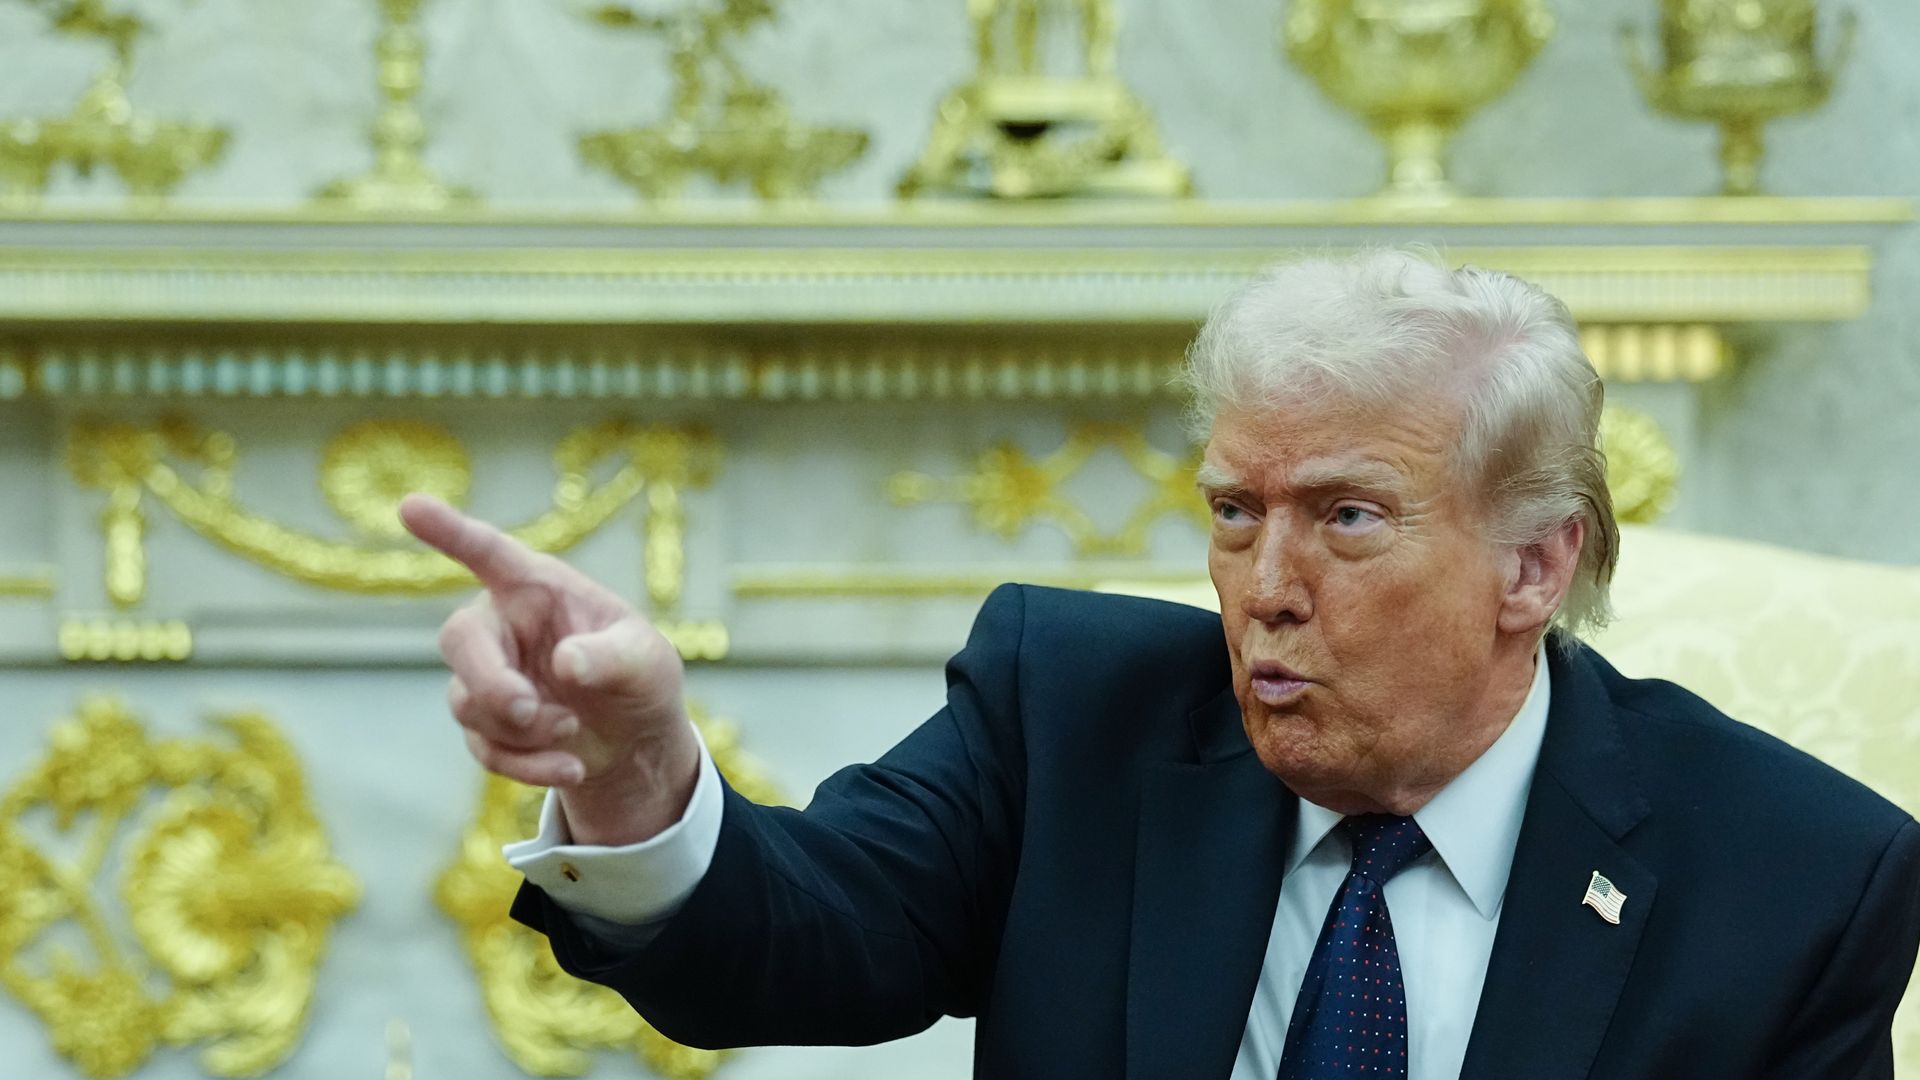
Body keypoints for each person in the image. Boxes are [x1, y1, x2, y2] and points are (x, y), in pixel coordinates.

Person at [401, 249, 1920, 1080]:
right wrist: (642, 772)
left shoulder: (1794, 876)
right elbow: (796, 943)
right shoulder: (1071, 711)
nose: (1265, 590)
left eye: (1347, 518)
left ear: (1535, 564)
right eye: (1232, 512)